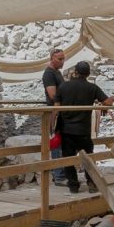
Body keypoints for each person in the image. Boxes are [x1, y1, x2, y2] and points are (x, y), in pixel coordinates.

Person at [55, 61, 114, 193]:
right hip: (83, 130)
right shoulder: (92, 88)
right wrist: (103, 106)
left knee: (68, 158)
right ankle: (92, 184)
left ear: (75, 72)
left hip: (67, 129)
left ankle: (73, 186)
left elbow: (56, 108)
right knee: (89, 158)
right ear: (88, 74)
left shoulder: (63, 86)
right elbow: (107, 102)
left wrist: (52, 127)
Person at [42, 48, 67, 185]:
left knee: (61, 142)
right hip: (55, 112)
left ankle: (60, 172)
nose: (62, 61)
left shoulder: (56, 72)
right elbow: (52, 95)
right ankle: (58, 175)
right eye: (59, 59)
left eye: (63, 58)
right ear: (52, 58)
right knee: (56, 143)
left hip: (60, 111)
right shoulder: (49, 74)